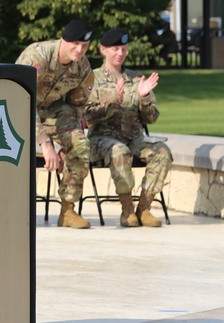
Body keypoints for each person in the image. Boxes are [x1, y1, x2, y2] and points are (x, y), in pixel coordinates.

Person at [84, 28, 172, 227]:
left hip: (134, 139)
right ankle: (127, 209)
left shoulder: (136, 78)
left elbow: (151, 118)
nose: (120, 54)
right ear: (103, 50)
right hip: (101, 140)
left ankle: (144, 208)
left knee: (162, 151)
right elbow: (87, 115)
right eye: (115, 49)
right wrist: (112, 101)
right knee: (119, 150)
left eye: (123, 49)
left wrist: (144, 98)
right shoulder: (91, 79)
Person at [16, 20, 95, 229]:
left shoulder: (83, 67)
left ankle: (67, 210)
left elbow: (77, 107)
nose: (80, 50)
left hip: (52, 112)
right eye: (75, 44)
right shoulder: (38, 56)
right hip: (18, 110)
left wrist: (65, 145)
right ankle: (12, 210)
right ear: (63, 40)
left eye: (84, 46)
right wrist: (45, 143)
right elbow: (19, 98)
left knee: (80, 145)